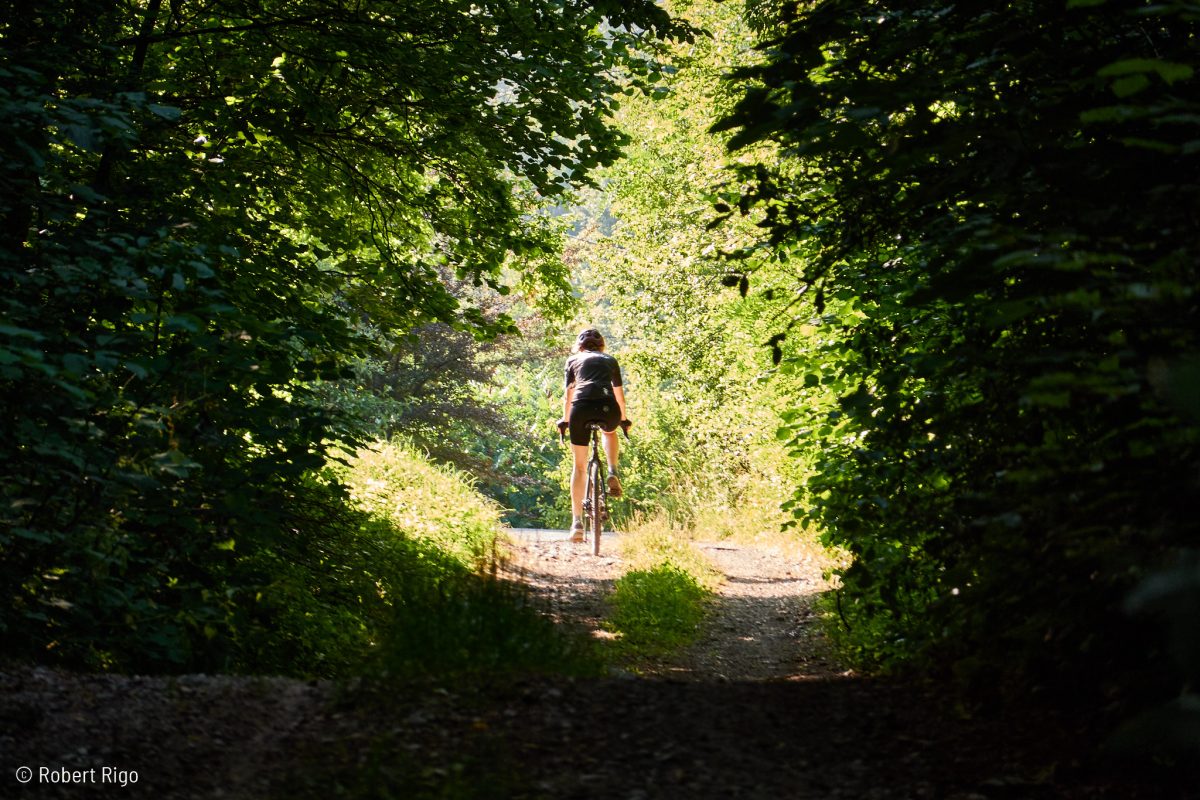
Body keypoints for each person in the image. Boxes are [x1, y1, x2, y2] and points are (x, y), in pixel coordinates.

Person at [557, 328, 630, 542]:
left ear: (579, 346)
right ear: (602, 346)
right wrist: (623, 419)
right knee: (610, 431)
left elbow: (568, 396)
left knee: (579, 467)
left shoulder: (573, 360)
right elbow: (620, 396)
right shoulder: (610, 360)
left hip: (580, 409)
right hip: (608, 407)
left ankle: (577, 523)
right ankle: (612, 469)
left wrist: (566, 420)